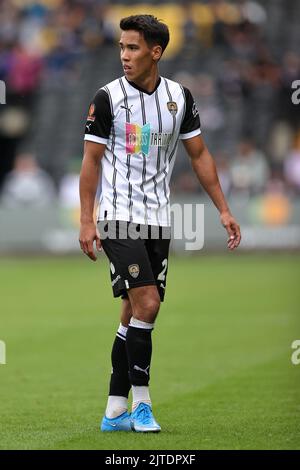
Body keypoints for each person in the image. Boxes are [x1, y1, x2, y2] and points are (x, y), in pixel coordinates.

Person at [79, 14, 241, 433]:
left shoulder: (179, 98)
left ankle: (114, 409)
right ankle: (142, 404)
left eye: (132, 48)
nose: (124, 55)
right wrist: (86, 220)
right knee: (148, 304)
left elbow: (200, 155)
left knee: (133, 312)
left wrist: (222, 208)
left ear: (156, 52)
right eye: (120, 47)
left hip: (158, 220)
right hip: (118, 217)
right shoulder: (108, 97)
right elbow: (91, 161)